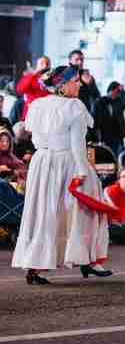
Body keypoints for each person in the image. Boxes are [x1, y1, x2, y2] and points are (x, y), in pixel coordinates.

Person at [11, 66, 113, 284]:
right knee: (83, 208)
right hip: (66, 162)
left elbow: (33, 136)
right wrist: (84, 172)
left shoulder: (37, 105)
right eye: (75, 80)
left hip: (42, 163)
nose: (79, 84)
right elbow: (78, 145)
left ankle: (34, 267)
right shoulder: (73, 106)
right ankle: (87, 259)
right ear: (61, 85)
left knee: (43, 213)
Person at [93, 82, 125, 154]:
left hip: (117, 136)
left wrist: (123, 91)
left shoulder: (118, 102)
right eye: (117, 91)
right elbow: (94, 120)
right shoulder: (99, 102)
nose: (117, 94)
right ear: (110, 91)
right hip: (104, 136)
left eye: (119, 92)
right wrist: (96, 136)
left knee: (117, 157)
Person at [15, 56, 50, 121]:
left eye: (47, 63)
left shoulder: (53, 78)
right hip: (32, 113)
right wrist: (34, 73)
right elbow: (20, 90)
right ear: (37, 65)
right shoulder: (30, 76)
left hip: (47, 113)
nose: (45, 65)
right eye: (42, 63)